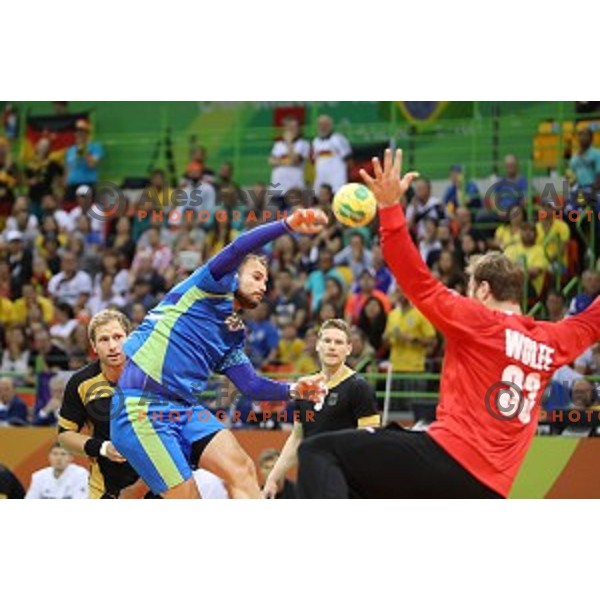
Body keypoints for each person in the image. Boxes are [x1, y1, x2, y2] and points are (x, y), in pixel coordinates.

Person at [297, 148, 600, 499]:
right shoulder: (552, 340)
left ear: (484, 290)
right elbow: (591, 322)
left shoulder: (478, 320)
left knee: (318, 451)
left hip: (448, 458)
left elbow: (416, 279)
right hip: (493, 488)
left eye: (472, 289)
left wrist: (390, 207)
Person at [111, 209, 329, 499]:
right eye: (256, 277)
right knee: (189, 498)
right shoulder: (206, 285)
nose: (263, 286)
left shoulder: (232, 332)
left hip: (184, 409)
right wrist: (287, 225)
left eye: (266, 282)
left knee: (242, 468)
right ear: (233, 274)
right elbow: (240, 246)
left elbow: (251, 385)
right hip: (140, 408)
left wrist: (294, 389)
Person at [263, 319, 380, 498]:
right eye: (327, 341)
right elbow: (297, 438)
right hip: (310, 479)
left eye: (339, 342)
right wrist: (273, 478)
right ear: (318, 345)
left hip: (345, 482)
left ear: (348, 348)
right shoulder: (305, 386)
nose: (332, 347)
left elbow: (369, 443)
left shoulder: (358, 387)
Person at [57, 309, 142, 499]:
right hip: (106, 489)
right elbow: (64, 436)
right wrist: (103, 448)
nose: (112, 346)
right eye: (104, 340)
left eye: (118, 337)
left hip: (157, 486)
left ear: (130, 339)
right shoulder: (80, 383)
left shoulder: (153, 375)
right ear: (94, 347)